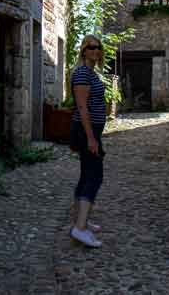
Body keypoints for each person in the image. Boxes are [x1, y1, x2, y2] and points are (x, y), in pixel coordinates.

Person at [69, 34, 107, 248]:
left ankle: (81, 219)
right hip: (86, 131)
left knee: (87, 174)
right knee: (94, 176)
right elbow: (82, 107)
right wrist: (91, 137)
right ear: (84, 50)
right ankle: (80, 228)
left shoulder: (90, 72)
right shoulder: (83, 73)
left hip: (90, 131)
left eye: (98, 47)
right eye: (91, 47)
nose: (96, 51)